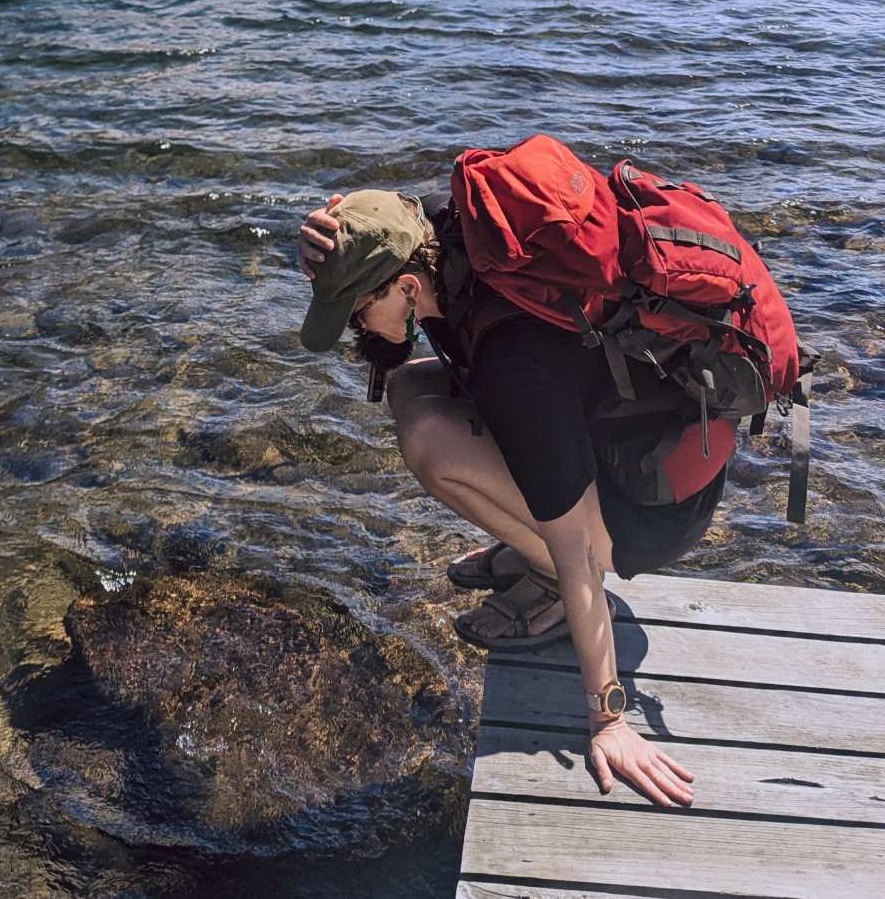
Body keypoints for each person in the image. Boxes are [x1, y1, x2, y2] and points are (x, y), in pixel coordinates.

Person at [297, 185, 717, 808]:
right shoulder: (444, 229)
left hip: (652, 512)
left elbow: (578, 549)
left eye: (356, 313)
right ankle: (530, 540)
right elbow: (386, 214)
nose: (352, 329)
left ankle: (544, 580)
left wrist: (609, 720)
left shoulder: (513, 357)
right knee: (410, 387)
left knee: (432, 443)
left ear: (409, 289)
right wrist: (330, 238)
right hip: (610, 434)